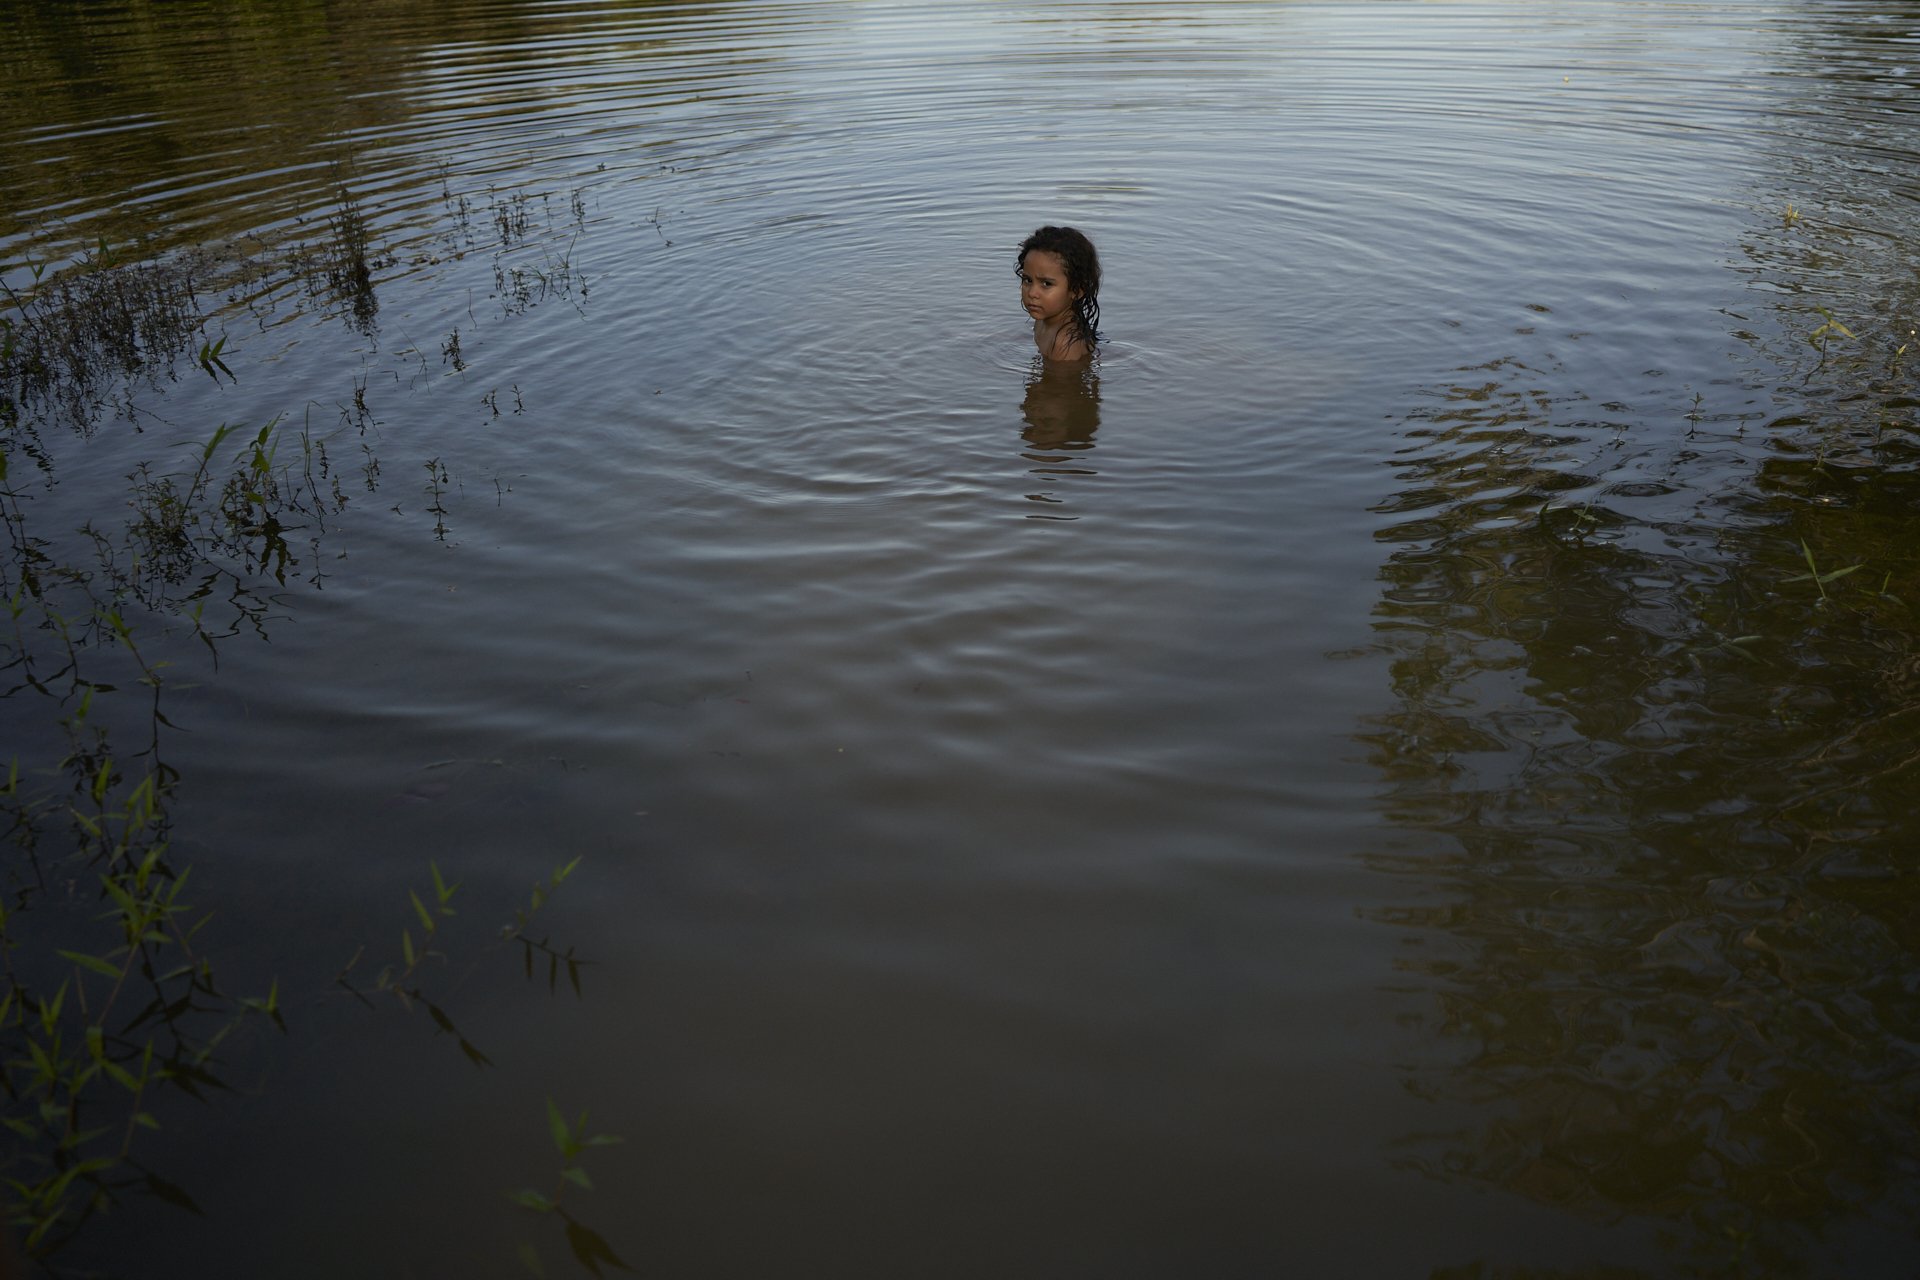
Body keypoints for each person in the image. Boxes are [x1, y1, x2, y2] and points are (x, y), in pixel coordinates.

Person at [1016, 225, 1100, 361]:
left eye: (1046, 284)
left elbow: (1061, 382)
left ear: (1077, 290)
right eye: (1028, 280)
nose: (1032, 293)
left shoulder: (1064, 344)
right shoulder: (1042, 320)